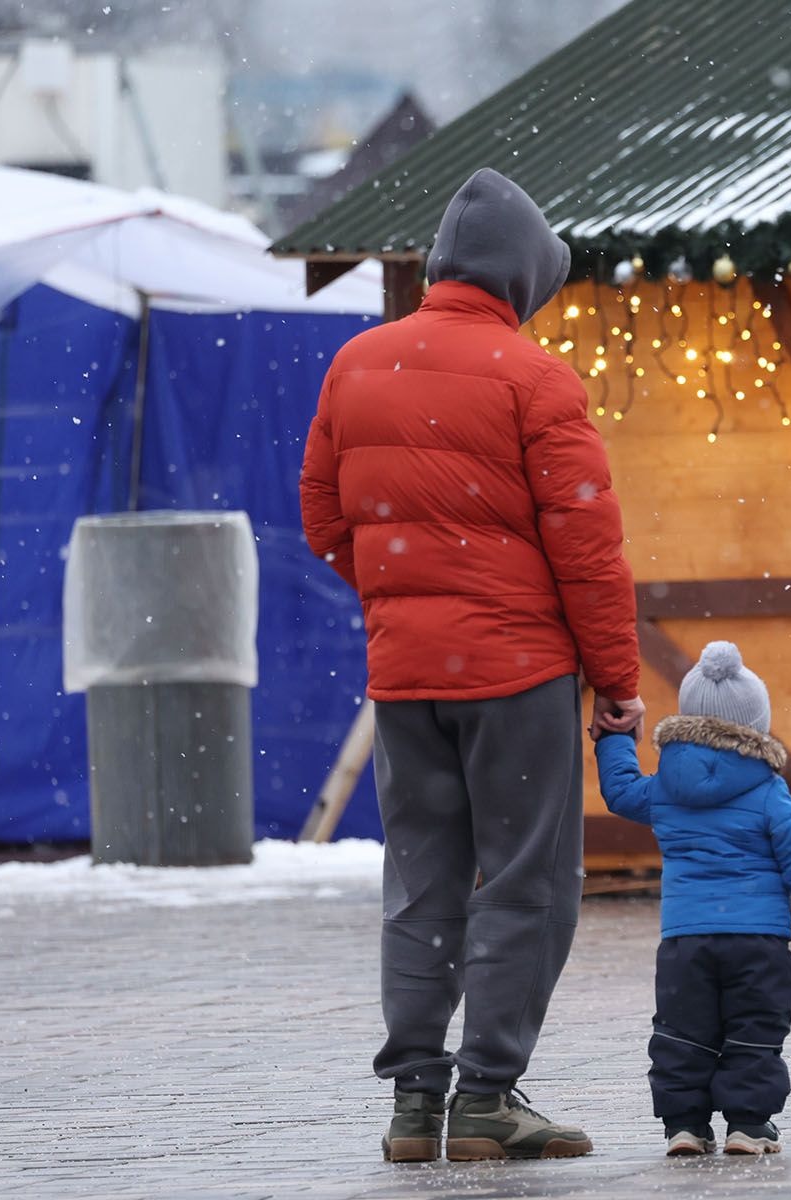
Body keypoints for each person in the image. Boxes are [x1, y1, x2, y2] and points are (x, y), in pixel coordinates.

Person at [300, 168, 644, 1163]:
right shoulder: (537, 380)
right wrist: (617, 680)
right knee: (527, 882)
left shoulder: (358, 364)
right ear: (521, 280)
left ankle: (414, 1102)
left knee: (420, 883)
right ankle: (488, 1097)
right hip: (517, 675)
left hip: (406, 676)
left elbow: (325, 516)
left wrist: (403, 598)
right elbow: (588, 554)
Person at [594, 641, 791, 1157]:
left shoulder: (666, 788)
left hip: (685, 942)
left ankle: (684, 1126)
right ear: (756, 726)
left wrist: (617, 735)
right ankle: (748, 1124)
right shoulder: (767, 791)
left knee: (682, 1032)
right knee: (754, 1030)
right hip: (758, 942)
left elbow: (620, 790)